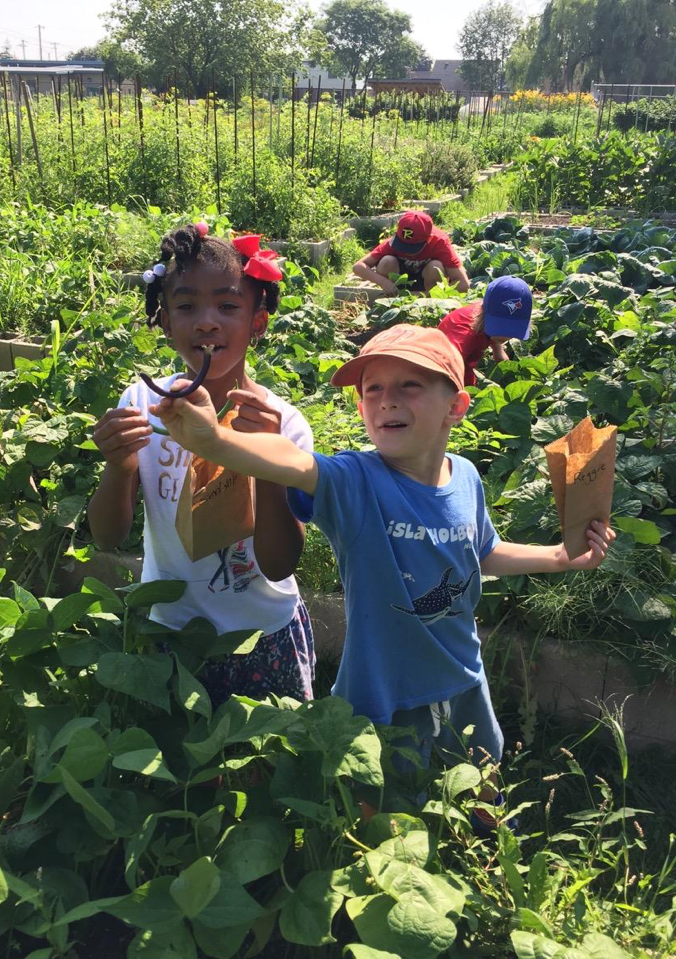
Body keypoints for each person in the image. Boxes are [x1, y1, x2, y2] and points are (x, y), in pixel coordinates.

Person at [151, 324, 615, 826]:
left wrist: (558, 557)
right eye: (373, 389)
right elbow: (295, 463)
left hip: (461, 673)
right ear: (361, 408)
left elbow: (481, 553)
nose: (387, 400)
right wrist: (216, 440)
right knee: (377, 807)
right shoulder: (355, 481)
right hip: (381, 688)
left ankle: (486, 850)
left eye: (409, 385)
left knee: (482, 778)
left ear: (456, 407)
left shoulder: (466, 477)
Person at [87, 224, 315, 707]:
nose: (207, 322)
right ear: (165, 322)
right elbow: (107, 537)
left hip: (260, 633)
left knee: (265, 751)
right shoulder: (143, 406)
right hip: (171, 630)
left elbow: (280, 564)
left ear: (258, 322)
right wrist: (119, 467)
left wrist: (268, 460)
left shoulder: (281, 425)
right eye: (187, 306)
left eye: (228, 306)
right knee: (174, 751)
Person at [438, 276, 533, 386]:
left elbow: (498, 350)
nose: (507, 335)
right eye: (500, 327)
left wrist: (511, 372)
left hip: (463, 364)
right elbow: (444, 367)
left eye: (513, 328)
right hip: (443, 369)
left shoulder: (486, 321)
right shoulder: (466, 334)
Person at [353, 211, 469, 298]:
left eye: (412, 247)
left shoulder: (439, 242)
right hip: (399, 283)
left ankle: (429, 304)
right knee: (386, 262)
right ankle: (392, 298)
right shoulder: (392, 243)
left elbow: (463, 284)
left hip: (427, 286)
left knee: (435, 267)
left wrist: (425, 295)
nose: (406, 251)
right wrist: (384, 283)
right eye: (402, 245)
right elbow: (358, 267)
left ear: (428, 239)